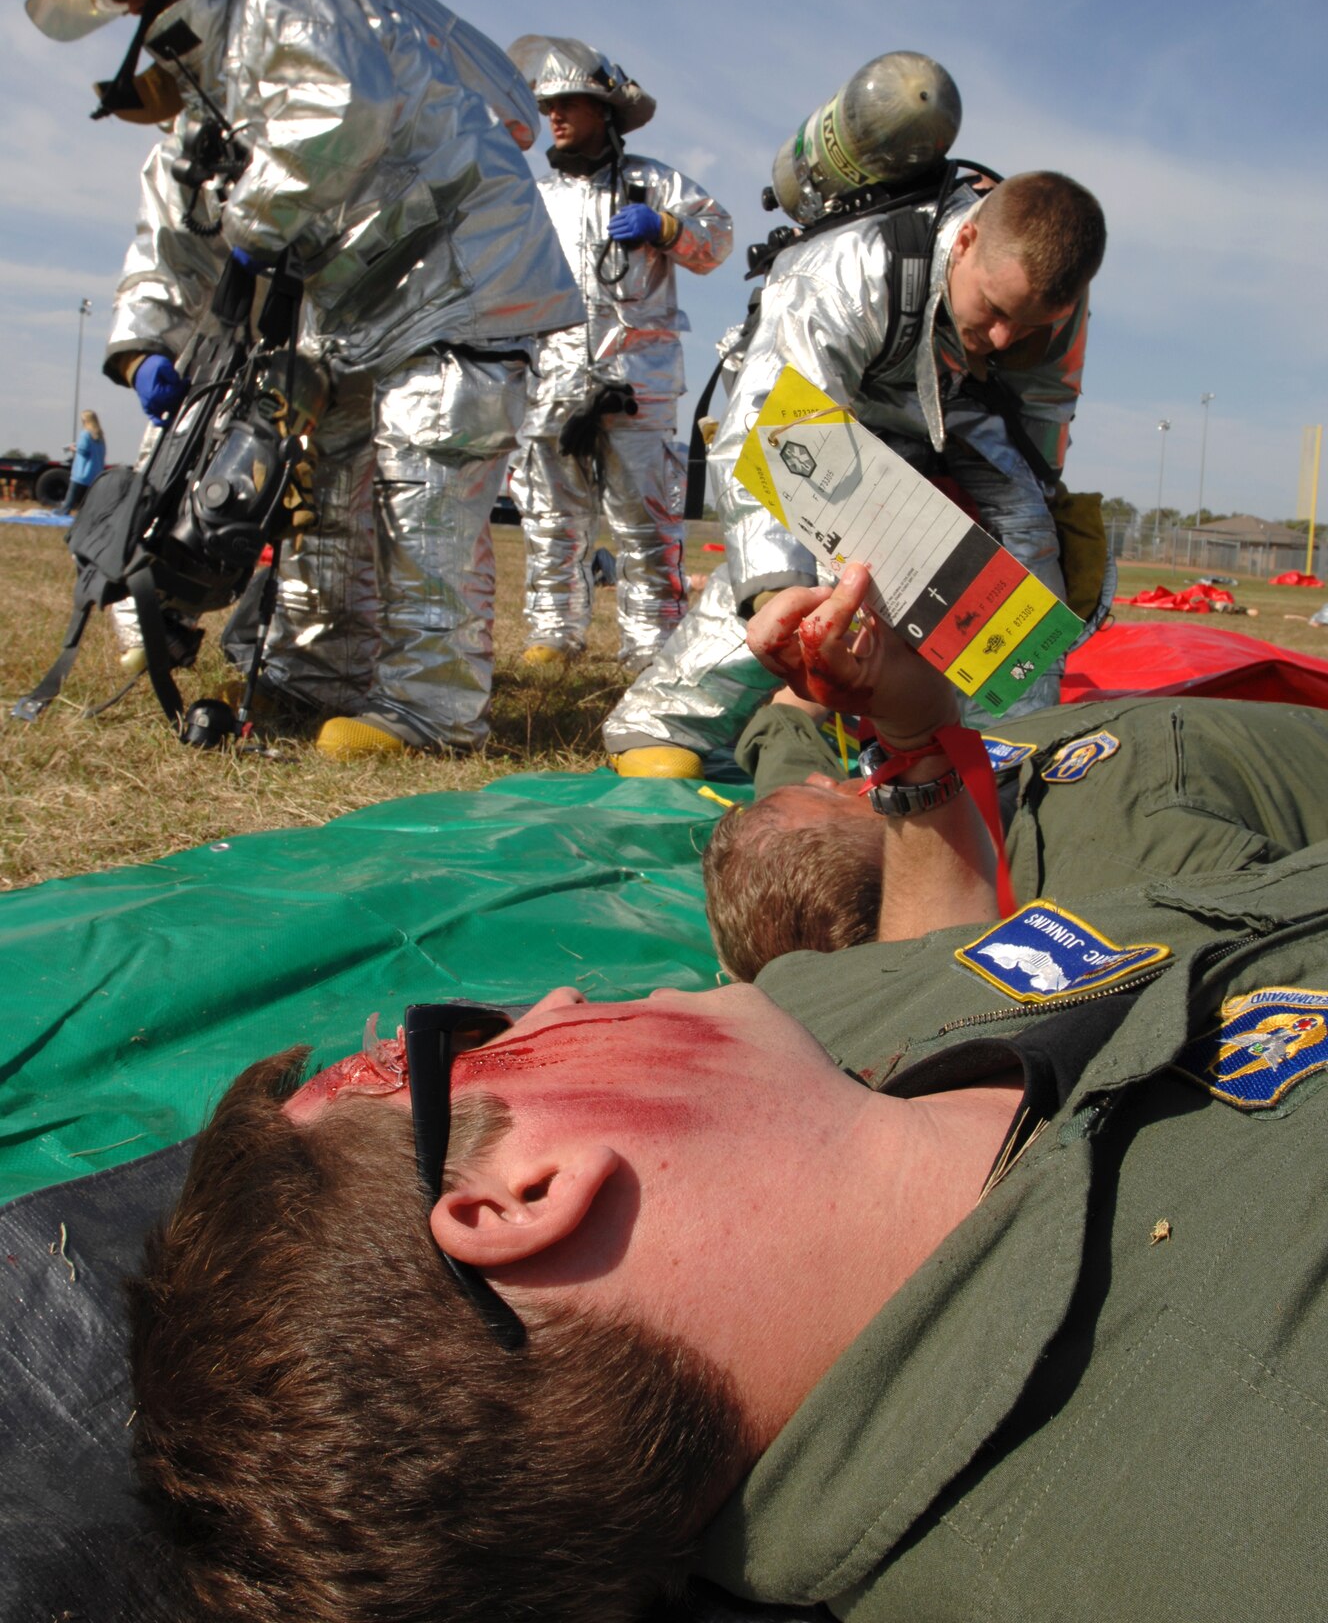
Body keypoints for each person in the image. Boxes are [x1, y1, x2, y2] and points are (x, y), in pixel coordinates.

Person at [126, 565, 1328, 1620]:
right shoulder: (1250, 1482)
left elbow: (934, 969)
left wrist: (911, 755)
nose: (545, 1003)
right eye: (465, 1039)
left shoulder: (805, 1069)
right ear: (516, 1198)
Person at [25, 0, 579, 758]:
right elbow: (174, 224)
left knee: (424, 488)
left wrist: (251, 236)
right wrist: (148, 343)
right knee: (323, 496)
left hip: (454, 285)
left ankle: (430, 711)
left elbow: (340, 112)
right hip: (366, 311)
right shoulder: (216, 65)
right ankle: (316, 675)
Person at [604, 163, 1106, 774]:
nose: (1004, 338)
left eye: (1027, 324)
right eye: (996, 310)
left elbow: (1041, 415)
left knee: (1024, 566)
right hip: (815, 415)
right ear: (968, 240)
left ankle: (1006, 756)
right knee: (819, 566)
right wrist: (775, 590)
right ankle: (665, 721)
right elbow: (769, 432)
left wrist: (1041, 523)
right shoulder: (850, 270)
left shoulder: (1056, 306)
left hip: (956, 423)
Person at [705, 679, 1328, 978]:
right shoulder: (1135, 876)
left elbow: (786, 726)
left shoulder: (820, 843)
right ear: (902, 859)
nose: (834, 777)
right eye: (845, 792)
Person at [506, 37, 733, 672]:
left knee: (647, 526)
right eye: (548, 104)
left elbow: (717, 239)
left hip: (638, 387)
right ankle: (554, 634)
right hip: (548, 385)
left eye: (569, 103)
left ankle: (653, 646)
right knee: (551, 522)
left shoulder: (654, 183)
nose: (554, 116)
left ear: (603, 110)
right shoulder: (536, 199)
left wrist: (665, 228)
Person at [60, 409, 106, 513]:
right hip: (95, 474)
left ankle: (63, 513)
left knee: (68, 503)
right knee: (88, 504)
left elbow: (83, 450)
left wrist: (73, 448)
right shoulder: (100, 436)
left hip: (81, 474)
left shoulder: (85, 434)